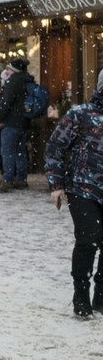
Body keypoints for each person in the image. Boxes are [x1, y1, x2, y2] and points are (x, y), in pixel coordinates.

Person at [45, 70, 103, 318]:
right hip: (83, 187)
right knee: (89, 238)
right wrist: (55, 185)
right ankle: (81, 295)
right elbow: (55, 147)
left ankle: (101, 297)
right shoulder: (79, 115)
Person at [0, 59, 33, 193]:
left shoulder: (13, 82)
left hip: (12, 122)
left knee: (8, 151)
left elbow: (6, 103)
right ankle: (21, 179)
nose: (6, 71)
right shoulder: (28, 80)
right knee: (20, 151)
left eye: (8, 69)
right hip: (24, 121)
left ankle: (7, 180)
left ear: (14, 71)